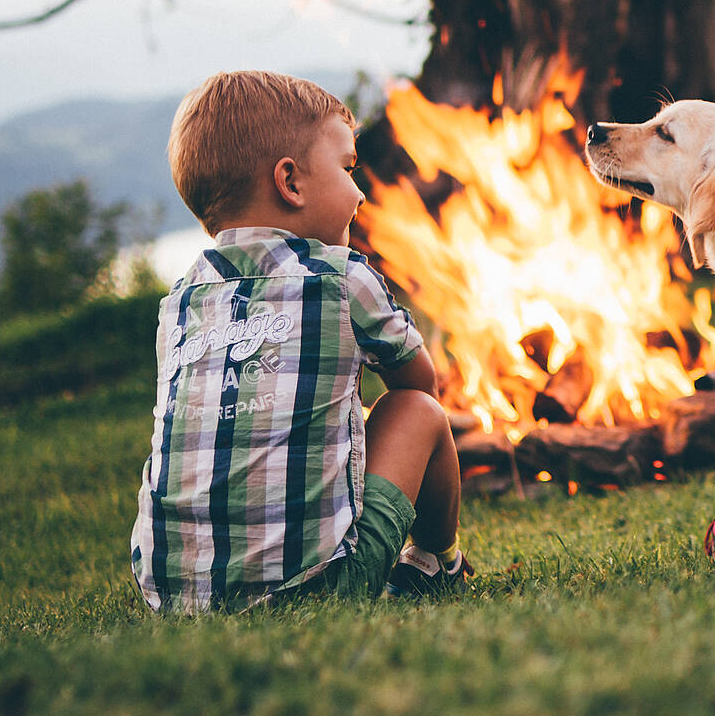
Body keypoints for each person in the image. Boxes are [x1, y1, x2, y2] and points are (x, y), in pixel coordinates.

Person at [129, 71, 471, 611]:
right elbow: (419, 381)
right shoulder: (341, 277)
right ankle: (437, 560)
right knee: (418, 411)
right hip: (320, 583)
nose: (359, 191)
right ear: (290, 182)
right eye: (348, 168)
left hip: (171, 593)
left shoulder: (179, 302)